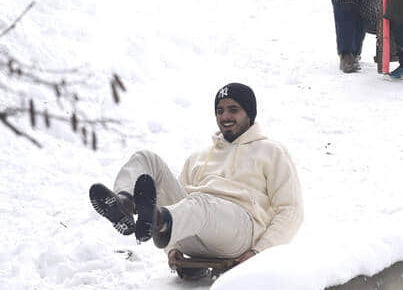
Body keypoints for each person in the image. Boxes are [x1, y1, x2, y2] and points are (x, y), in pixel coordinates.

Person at [87, 83, 303, 264]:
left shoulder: (271, 152)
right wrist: (172, 249)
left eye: (233, 109)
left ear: (249, 113)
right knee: (146, 158)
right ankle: (125, 204)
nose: (225, 116)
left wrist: (260, 252)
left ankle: (156, 220)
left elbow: (291, 210)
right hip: (194, 229)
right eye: (220, 111)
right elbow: (180, 205)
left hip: (239, 233)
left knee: (199, 202)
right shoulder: (198, 157)